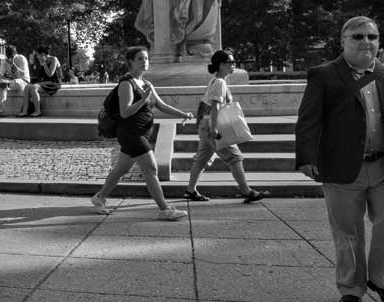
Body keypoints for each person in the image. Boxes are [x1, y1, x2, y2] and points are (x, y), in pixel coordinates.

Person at [296, 16, 384, 302]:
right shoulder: (323, 75)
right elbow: (309, 120)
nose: (366, 42)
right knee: (347, 231)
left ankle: (383, 281)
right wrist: (307, 158)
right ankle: (352, 288)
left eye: (372, 36)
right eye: (358, 37)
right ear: (343, 41)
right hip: (342, 166)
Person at [89, 46, 194, 221]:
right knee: (151, 169)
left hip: (142, 133)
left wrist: (184, 114)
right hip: (131, 133)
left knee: (122, 168)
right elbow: (125, 112)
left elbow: (161, 105)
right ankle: (164, 209)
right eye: (140, 59)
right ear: (130, 62)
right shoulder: (126, 83)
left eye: (146, 58)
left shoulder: (147, 83)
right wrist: (143, 100)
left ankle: (99, 197)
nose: (145, 61)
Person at [183, 50, 267, 204]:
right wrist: (214, 129)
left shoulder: (216, 80)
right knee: (234, 157)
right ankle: (246, 191)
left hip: (206, 125)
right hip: (212, 126)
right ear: (221, 65)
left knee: (202, 159)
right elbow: (215, 106)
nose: (233, 65)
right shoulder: (220, 82)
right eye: (231, 62)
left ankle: (190, 190)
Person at [22, 46, 61, 117]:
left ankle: (38, 111)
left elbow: (50, 74)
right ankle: (24, 111)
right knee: (27, 86)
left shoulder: (53, 59)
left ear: (42, 54)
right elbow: (39, 76)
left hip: (53, 83)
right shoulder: (41, 61)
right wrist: (39, 65)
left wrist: (44, 64)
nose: (36, 56)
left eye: (37, 54)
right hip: (45, 82)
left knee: (33, 87)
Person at [0, 45, 30, 116]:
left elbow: (22, 74)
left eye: (12, 56)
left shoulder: (21, 58)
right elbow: (0, 72)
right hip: (11, 82)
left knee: (12, 82)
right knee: (2, 84)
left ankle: (7, 84)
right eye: (8, 56)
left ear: (15, 53)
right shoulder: (6, 60)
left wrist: (12, 64)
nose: (10, 58)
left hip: (23, 81)